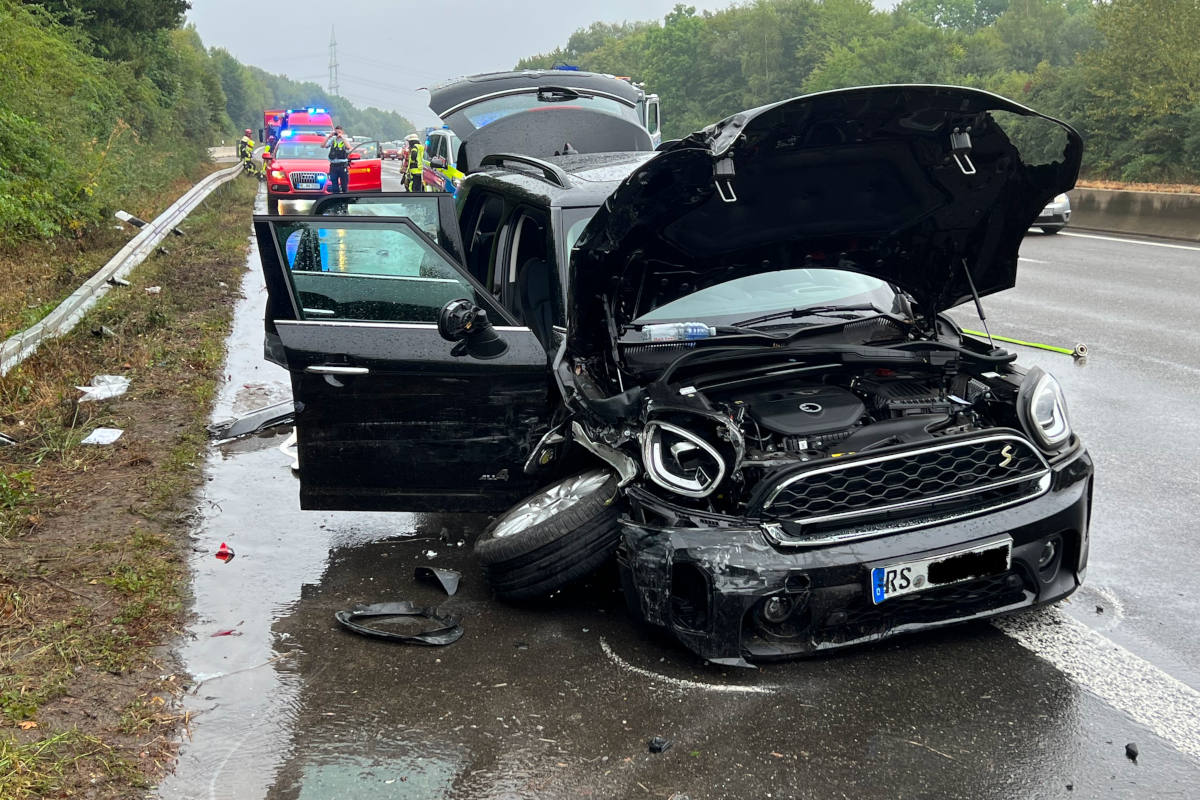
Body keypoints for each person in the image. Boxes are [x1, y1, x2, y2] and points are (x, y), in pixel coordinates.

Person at [323, 125, 351, 193]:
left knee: (344, 186)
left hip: (342, 166)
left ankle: (344, 200)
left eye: (339, 132)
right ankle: (336, 200)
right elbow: (323, 145)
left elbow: (348, 147)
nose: (337, 133)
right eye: (336, 132)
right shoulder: (333, 140)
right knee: (334, 186)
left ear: (342, 132)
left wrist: (342, 137)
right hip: (333, 166)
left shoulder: (344, 140)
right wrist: (329, 136)